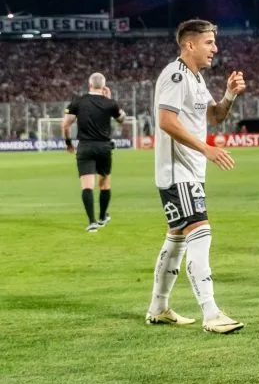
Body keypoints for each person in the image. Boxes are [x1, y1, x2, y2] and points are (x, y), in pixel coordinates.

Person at [146, 18, 246, 335]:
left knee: (176, 237)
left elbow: (214, 115)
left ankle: (158, 308)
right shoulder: (176, 75)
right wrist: (207, 149)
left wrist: (229, 95)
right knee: (200, 231)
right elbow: (166, 120)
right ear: (189, 44)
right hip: (178, 171)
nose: (215, 48)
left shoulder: (197, 79)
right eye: (209, 42)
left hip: (188, 170)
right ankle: (211, 312)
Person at [61, 73, 125, 232]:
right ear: (104, 87)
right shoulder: (110, 103)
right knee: (105, 184)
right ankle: (103, 217)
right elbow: (122, 119)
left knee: (87, 185)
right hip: (104, 147)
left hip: (85, 147)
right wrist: (110, 99)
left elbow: (65, 125)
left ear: (89, 85)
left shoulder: (78, 101)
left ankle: (92, 222)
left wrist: (68, 143)